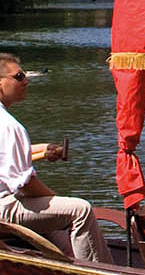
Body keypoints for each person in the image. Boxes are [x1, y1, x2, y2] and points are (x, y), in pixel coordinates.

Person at [0, 53, 110, 262]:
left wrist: (44, 148)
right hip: (4, 208)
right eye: (19, 76)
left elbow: (5, 155)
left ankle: (68, 261)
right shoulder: (9, 126)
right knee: (80, 209)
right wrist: (56, 198)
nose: (26, 81)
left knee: (56, 218)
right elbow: (25, 185)